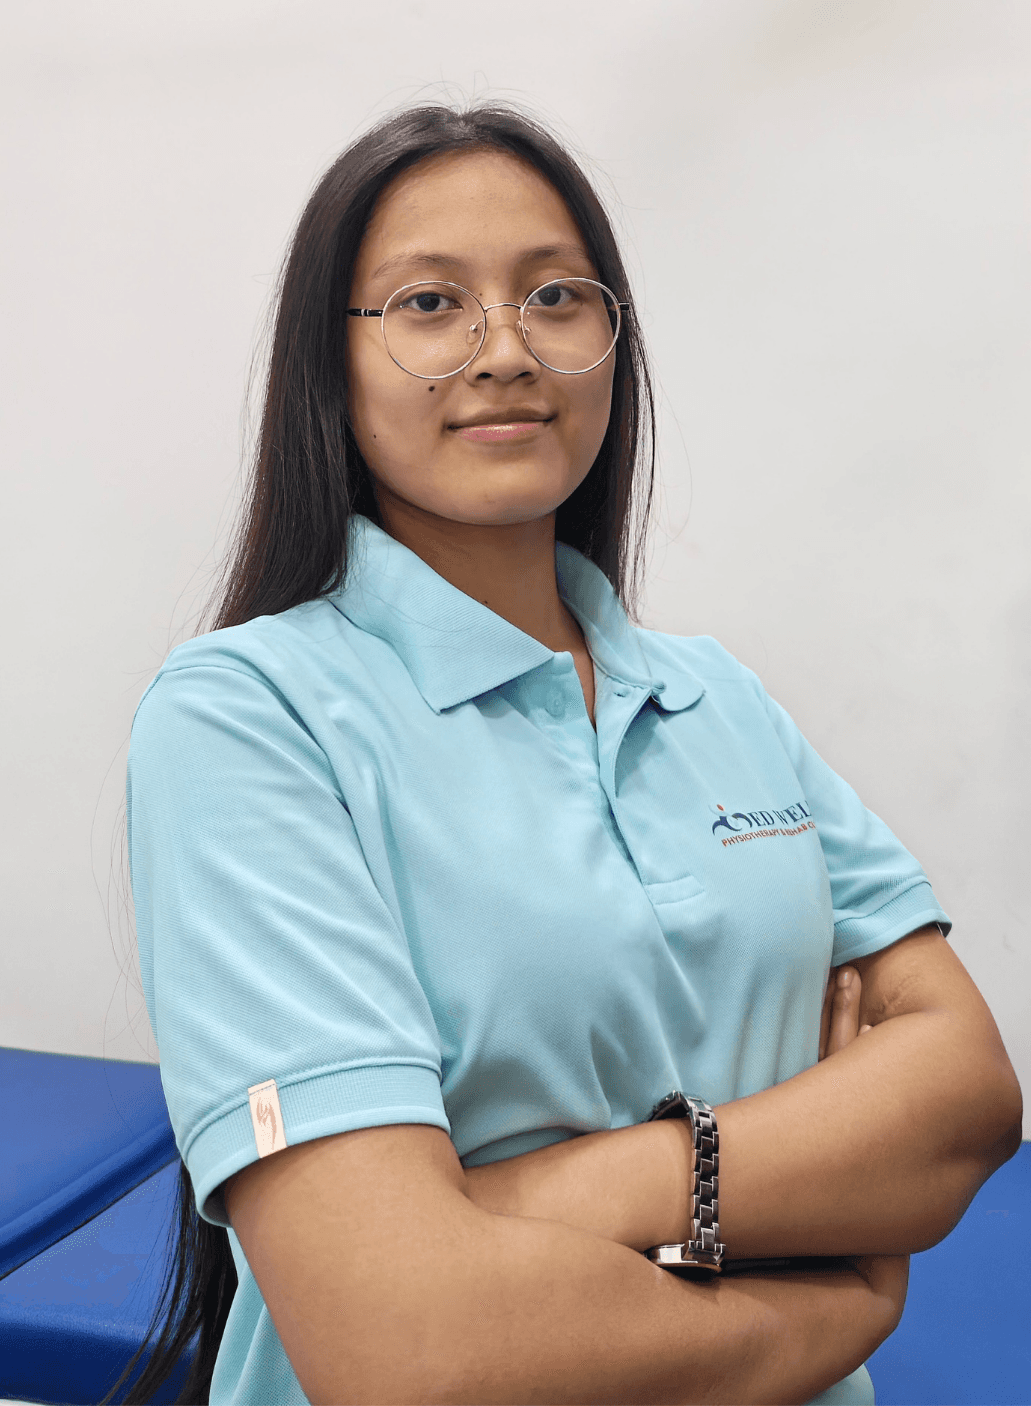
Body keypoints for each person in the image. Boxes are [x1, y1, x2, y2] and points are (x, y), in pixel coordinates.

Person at [110, 102, 1022, 1406]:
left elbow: (966, 1091)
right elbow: (411, 1350)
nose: (505, 350)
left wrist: (570, 1192)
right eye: (429, 304)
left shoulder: (715, 696)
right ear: (329, 363)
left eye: (554, 296)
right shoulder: (248, 717)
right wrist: (830, 1291)